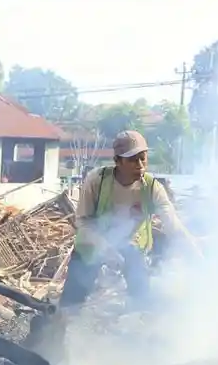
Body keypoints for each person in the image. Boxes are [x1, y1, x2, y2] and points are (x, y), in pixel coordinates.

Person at [60, 130, 200, 312]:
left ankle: (136, 323)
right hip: (91, 247)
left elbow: (173, 225)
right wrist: (105, 248)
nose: (140, 165)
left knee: (141, 299)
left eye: (143, 158)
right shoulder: (97, 181)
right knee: (71, 303)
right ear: (117, 161)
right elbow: (83, 223)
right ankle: (59, 325)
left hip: (131, 249)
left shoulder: (152, 188)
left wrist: (196, 255)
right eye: (133, 160)